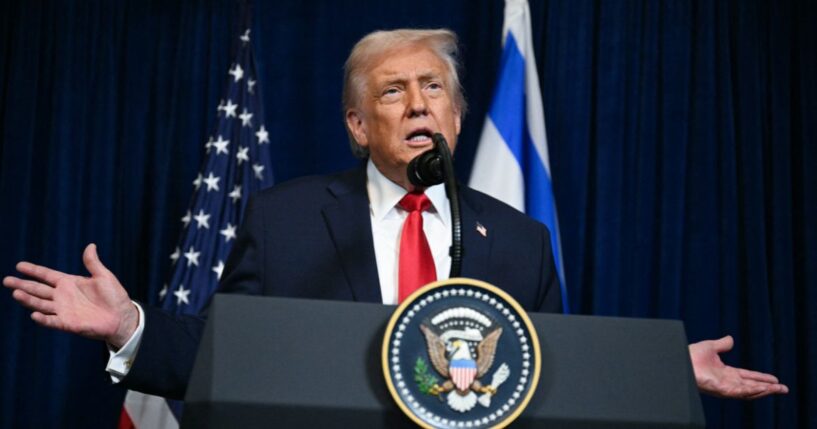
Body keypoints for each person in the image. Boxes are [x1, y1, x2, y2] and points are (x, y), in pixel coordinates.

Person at [4, 29, 787, 402]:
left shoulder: (519, 240)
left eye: (433, 87)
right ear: (356, 124)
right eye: (392, 91)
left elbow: (551, 372)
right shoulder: (284, 219)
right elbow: (223, 352)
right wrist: (129, 326)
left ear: (457, 114)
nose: (417, 103)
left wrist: (663, 370)